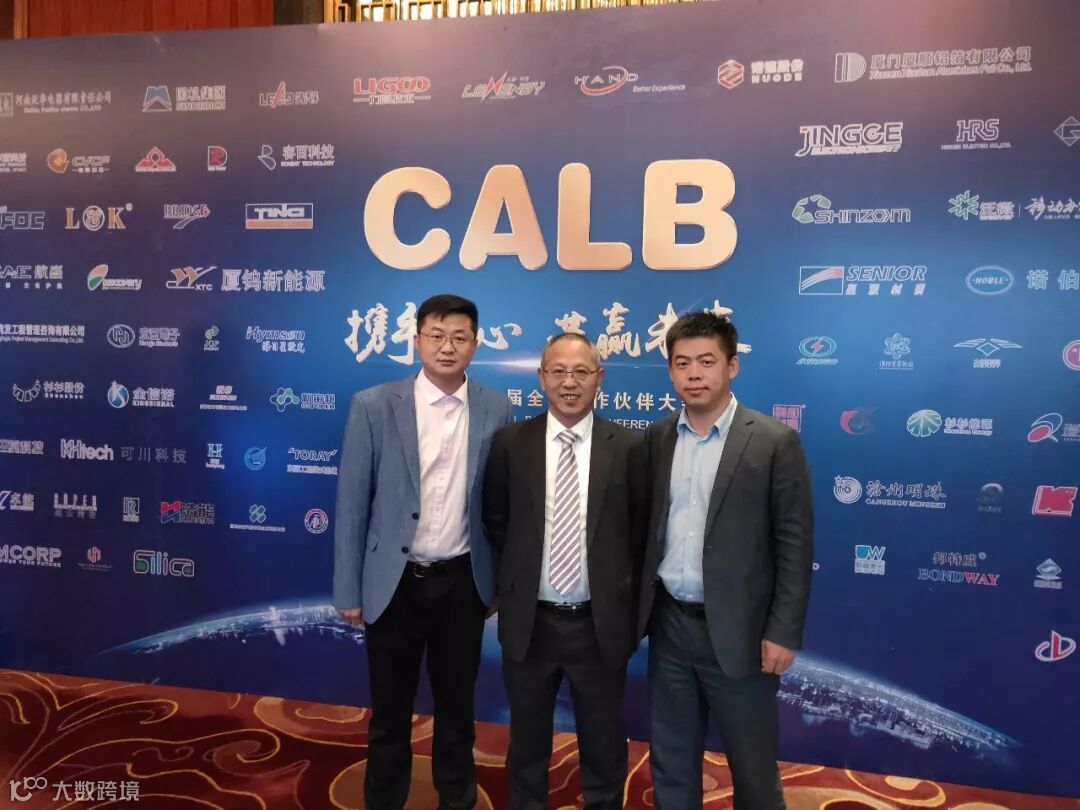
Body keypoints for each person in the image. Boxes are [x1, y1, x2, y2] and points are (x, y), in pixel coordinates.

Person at [333, 293, 512, 810]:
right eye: (436, 335)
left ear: (475, 344)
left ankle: (456, 800)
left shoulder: (496, 407)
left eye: (459, 337)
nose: (446, 347)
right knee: (389, 713)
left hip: (462, 583)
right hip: (394, 583)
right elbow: (352, 502)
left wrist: (496, 583)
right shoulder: (373, 404)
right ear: (416, 341)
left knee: (457, 712)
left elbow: (499, 505)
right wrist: (348, 589)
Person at [639, 311, 814, 810]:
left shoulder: (773, 440)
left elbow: (794, 543)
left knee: (752, 766)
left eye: (706, 361)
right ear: (671, 371)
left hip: (743, 633)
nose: (693, 374)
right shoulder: (658, 438)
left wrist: (783, 631)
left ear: (732, 366)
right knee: (672, 760)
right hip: (670, 626)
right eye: (682, 363)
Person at [483, 333, 647, 810]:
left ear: (599, 378)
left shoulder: (630, 447)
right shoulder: (511, 443)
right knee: (527, 744)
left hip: (598, 625)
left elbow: (639, 532)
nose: (569, 382)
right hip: (530, 623)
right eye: (558, 371)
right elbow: (497, 520)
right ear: (541, 378)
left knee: (604, 744)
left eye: (581, 372)